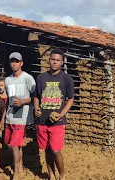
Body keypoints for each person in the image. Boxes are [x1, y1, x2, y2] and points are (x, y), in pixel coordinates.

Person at [34, 49, 74, 180]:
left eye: (58, 60)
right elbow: (36, 97)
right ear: (49, 60)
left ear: (62, 62)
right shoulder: (41, 78)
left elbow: (71, 99)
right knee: (46, 149)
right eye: (53, 59)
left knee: (56, 150)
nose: (55, 62)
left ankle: (61, 175)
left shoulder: (66, 78)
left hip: (57, 122)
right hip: (42, 121)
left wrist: (61, 114)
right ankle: (51, 174)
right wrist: (36, 108)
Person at [4, 52, 36, 180]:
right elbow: (7, 101)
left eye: (16, 61)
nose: (14, 63)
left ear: (21, 63)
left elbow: (35, 97)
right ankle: (20, 168)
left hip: (21, 118)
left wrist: (23, 101)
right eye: (12, 61)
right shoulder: (7, 80)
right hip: (10, 116)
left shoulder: (27, 78)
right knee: (16, 146)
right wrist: (3, 118)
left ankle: (16, 174)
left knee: (14, 146)